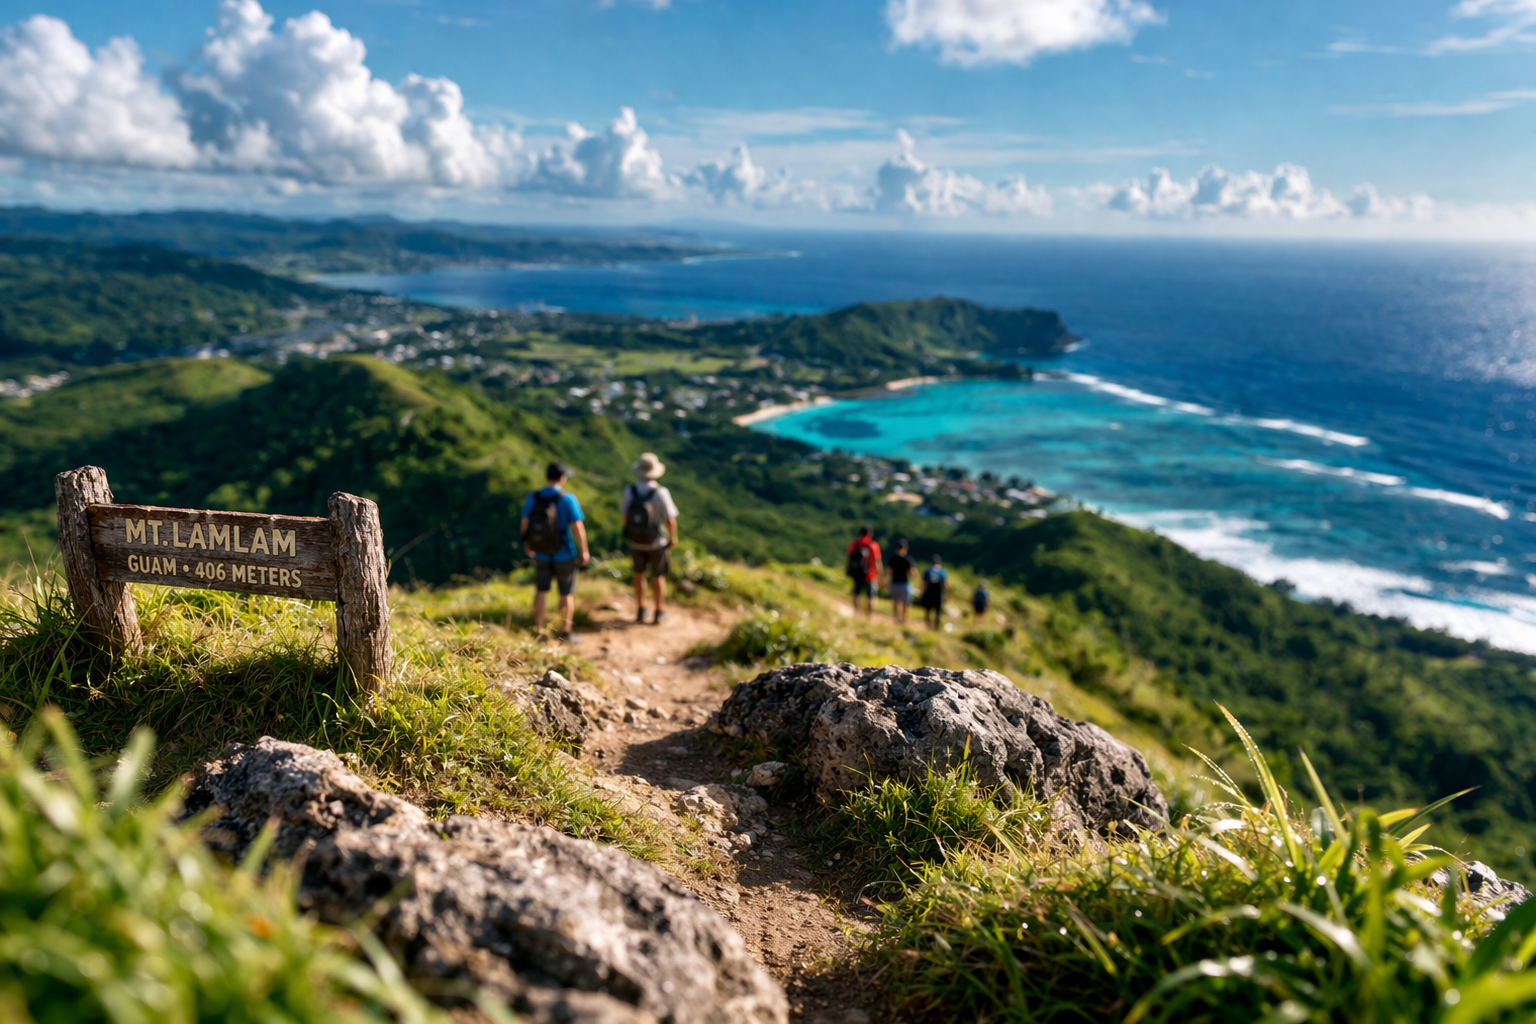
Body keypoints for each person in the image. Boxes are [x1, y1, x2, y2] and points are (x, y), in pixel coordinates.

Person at [520, 461, 590, 641]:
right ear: (562, 478)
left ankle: (539, 631)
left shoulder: (534, 497)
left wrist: (528, 544)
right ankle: (566, 632)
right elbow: (577, 528)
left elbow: (525, 522)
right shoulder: (567, 499)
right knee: (566, 593)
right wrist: (584, 551)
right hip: (564, 553)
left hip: (541, 552)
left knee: (541, 591)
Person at [621, 452, 680, 625]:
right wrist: (673, 537)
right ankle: (659, 611)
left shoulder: (629, 490)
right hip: (656, 542)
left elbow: (624, 516)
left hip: (636, 541)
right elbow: (670, 519)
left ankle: (640, 608)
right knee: (658, 576)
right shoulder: (661, 492)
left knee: (639, 574)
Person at [845, 525, 882, 617]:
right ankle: (869, 616)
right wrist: (879, 576)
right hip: (870, 574)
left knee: (856, 593)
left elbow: (849, 558)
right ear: (870, 534)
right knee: (871, 596)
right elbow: (876, 562)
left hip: (857, 573)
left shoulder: (854, 544)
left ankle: (856, 612)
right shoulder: (873, 545)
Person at [886, 539, 914, 624]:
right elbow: (912, 573)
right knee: (906, 603)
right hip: (904, 583)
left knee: (895, 602)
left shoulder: (893, 558)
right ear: (905, 548)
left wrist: (885, 581)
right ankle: (903, 619)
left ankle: (896, 619)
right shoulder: (908, 559)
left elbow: (888, 571)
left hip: (894, 583)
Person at [920, 555, 948, 630]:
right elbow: (945, 585)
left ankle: (927, 626)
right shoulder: (942, 571)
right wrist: (947, 595)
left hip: (929, 594)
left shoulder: (928, 571)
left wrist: (922, 593)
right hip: (938, 595)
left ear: (931, 562)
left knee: (927, 611)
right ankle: (936, 628)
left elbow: (924, 584)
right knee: (938, 613)